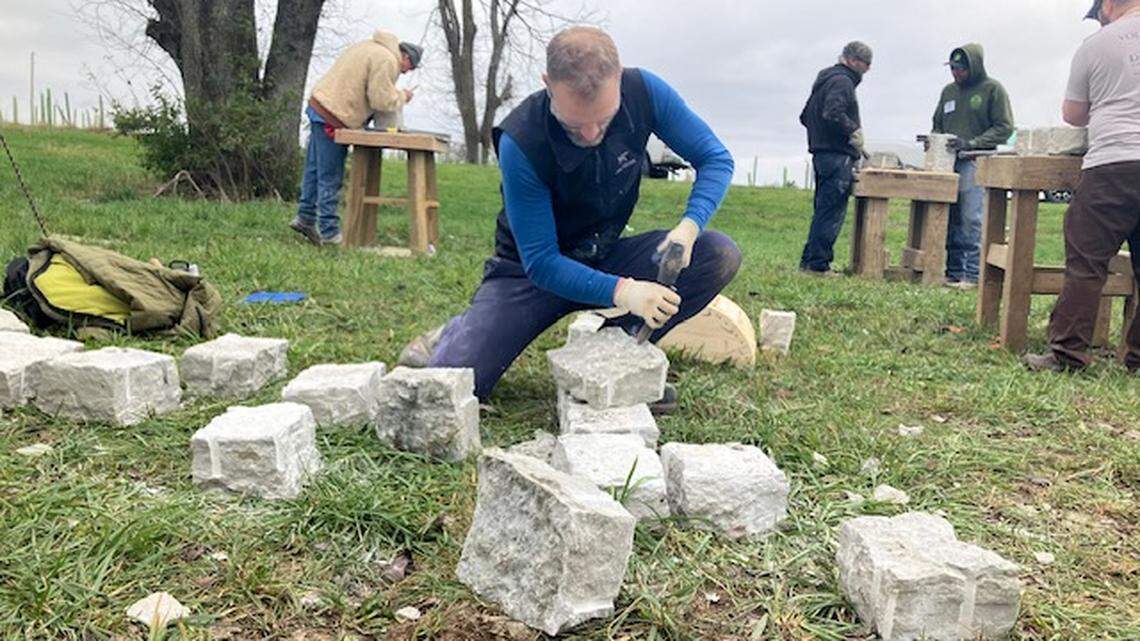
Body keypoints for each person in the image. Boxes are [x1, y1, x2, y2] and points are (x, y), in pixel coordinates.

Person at [400, 26, 740, 406]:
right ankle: (455, 334)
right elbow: (543, 263)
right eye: (576, 125)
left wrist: (690, 226)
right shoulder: (522, 139)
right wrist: (627, 291)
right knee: (452, 383)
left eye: (605, 118)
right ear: (548, 83)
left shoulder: (644, 92)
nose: (593, 133)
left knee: (718, 253)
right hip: (530, 274)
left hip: (603, 254)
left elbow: (716, 158)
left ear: (619, 77)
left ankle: (617, 359)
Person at [1025, 0, 1140, 373]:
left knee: (1086, 264)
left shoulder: (1095, 45)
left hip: (1113, 163)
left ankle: (1067, 355)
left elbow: (1073, 114)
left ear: (1108, 5)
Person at [289, 31, 423, 245]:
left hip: (320, 105)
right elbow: (380, 100)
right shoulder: (387, 60)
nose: (406, 72)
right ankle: (329, 231)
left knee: (314, 169)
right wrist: (402, 97)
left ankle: (305, 216)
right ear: (406, 57)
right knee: (330, 174)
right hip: (335, 114)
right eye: (410, 67)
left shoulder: (369, 46)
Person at [931, 44, 1014, 289]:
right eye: (953, 68)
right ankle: (954, 271)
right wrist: (936, 141)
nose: (956, 73)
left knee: (971, 217)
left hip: (976, 162)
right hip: (949, 162)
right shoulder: (948, 92)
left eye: (961, 69)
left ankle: (972, 274)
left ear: (973, 67)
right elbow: (937, 123)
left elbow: (1004, 127)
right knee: (951, 216)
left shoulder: (992, 89)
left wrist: (974, 143)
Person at [798, 41, 873, 276]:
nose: (867, 70)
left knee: (823, 209)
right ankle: (819, 265)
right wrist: (852, 132)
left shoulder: (825, 80)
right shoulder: (843, 81)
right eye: (865, 64)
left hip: (821, 154)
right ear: (852, 60)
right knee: (832, 212)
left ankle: (809, 261)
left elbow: (804, 116)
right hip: (837, 156)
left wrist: (819, 137)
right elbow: (833, 112)